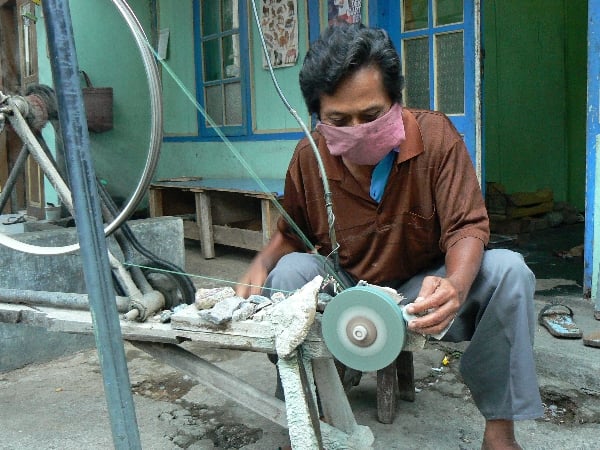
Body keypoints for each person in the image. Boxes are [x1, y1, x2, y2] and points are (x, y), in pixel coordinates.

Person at [236, 23, 543, 449]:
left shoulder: (436, 139)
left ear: (397, 101)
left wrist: (454, 284)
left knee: (510, 271)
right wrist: (261, 263)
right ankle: (310, 413)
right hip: (344, 288)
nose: (357, 129)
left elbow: (467, 226)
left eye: (372, 115)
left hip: (420, 290)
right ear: (316, 117)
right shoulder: (310, 157)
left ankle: (500, 432)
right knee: (288, 273)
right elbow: (291, 233)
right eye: (338, 120)